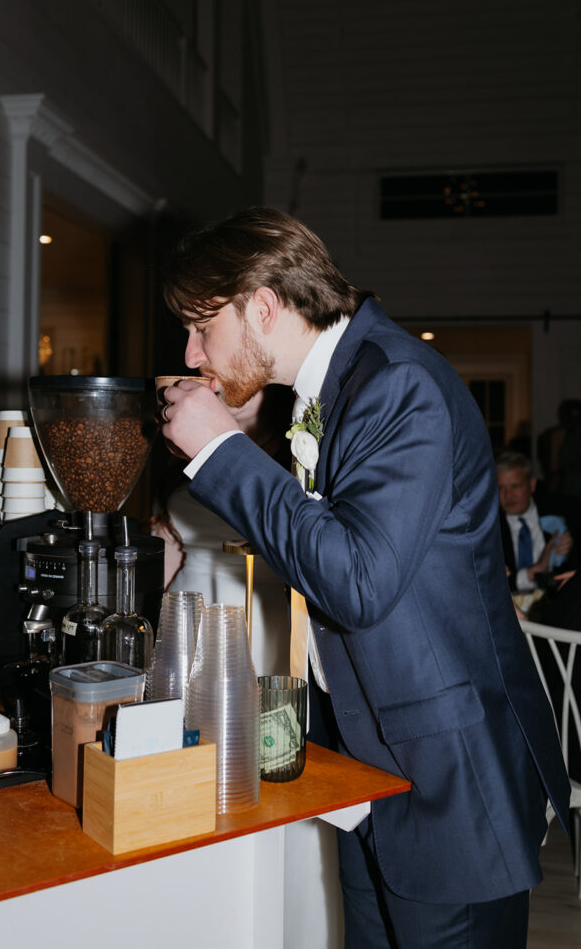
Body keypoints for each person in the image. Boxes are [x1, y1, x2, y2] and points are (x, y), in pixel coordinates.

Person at [158, 206, 570, 949]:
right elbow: (318, 550)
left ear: (262, 306)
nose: (191, 353)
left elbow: (357, 582)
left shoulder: (398, 382)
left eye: (200, 326)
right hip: (371, 764)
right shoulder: (334, 389)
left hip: (447, 777)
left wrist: (221, 455)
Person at [151, 385, 293, 676]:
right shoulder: (189, 441)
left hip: (262, 619)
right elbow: (169, 542)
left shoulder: (292, 454)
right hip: (186, 614)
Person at [496, 449, 575, 595]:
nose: (508, 495)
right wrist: (533, 571)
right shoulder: (488, 528)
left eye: (515, 486)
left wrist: (572, 547)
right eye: (501, 488)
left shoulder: (562, 512)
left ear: (531, 485)